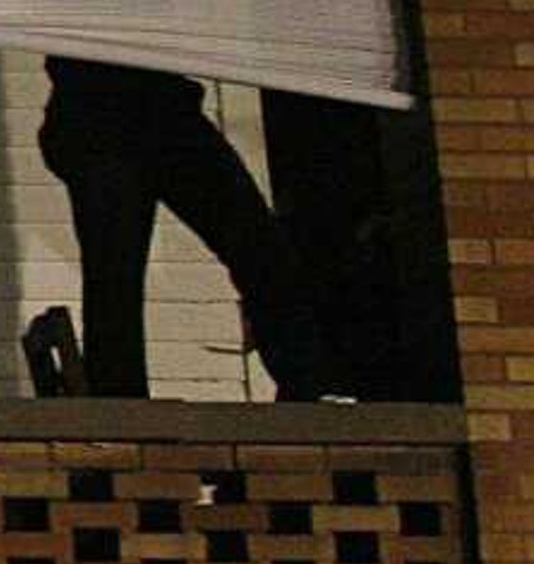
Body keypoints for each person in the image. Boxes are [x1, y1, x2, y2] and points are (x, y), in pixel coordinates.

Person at [36, 57, 335, 400]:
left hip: (156, 109)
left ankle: (306, 385)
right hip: (100, 111)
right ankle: (121, 405)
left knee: (257, 247)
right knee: (116, 276)